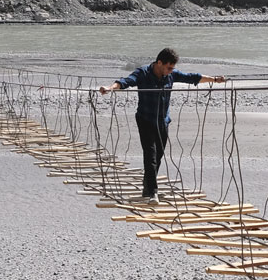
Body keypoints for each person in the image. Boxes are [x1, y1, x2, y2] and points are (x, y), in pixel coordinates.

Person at [97, 49, 226, 200]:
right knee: (150, 155)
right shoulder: (143, 73)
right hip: (145, 119)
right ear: (159, 63)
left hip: (163, 121)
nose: (171, 71)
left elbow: (192, 77)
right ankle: (153, 193)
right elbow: (125, 81)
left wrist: (215, 79)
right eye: (169, 67)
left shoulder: (171, 74)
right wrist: (110, 88)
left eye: (172, 68)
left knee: (158, 156)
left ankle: (147, 188)